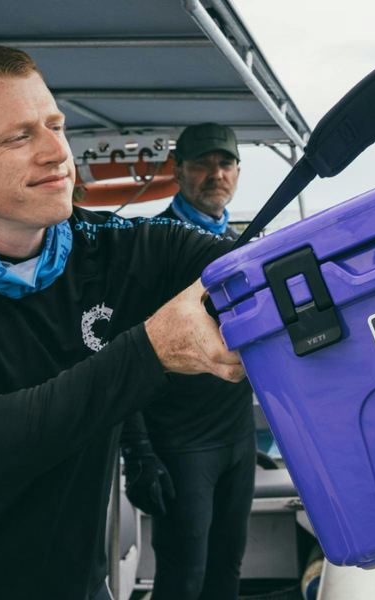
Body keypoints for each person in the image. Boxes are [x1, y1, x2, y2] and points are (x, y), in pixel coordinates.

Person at [0, 44, 245, 600]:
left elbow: (261, 264)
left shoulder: (115, 248)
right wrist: (150, 352)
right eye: (18, 137)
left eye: (55, 125)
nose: (57, 152)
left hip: (78, 584)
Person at [118, 121, 256, 600]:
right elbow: (120, 349)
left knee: (227, 570)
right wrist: (137, 450)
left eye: (226, 163)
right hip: (180, 443)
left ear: (237, 171)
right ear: (177, 173)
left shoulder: (243, 243)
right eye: (202, 164)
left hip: (238, 437)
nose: (216, 174)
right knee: (184, 578)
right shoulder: (150, 243)